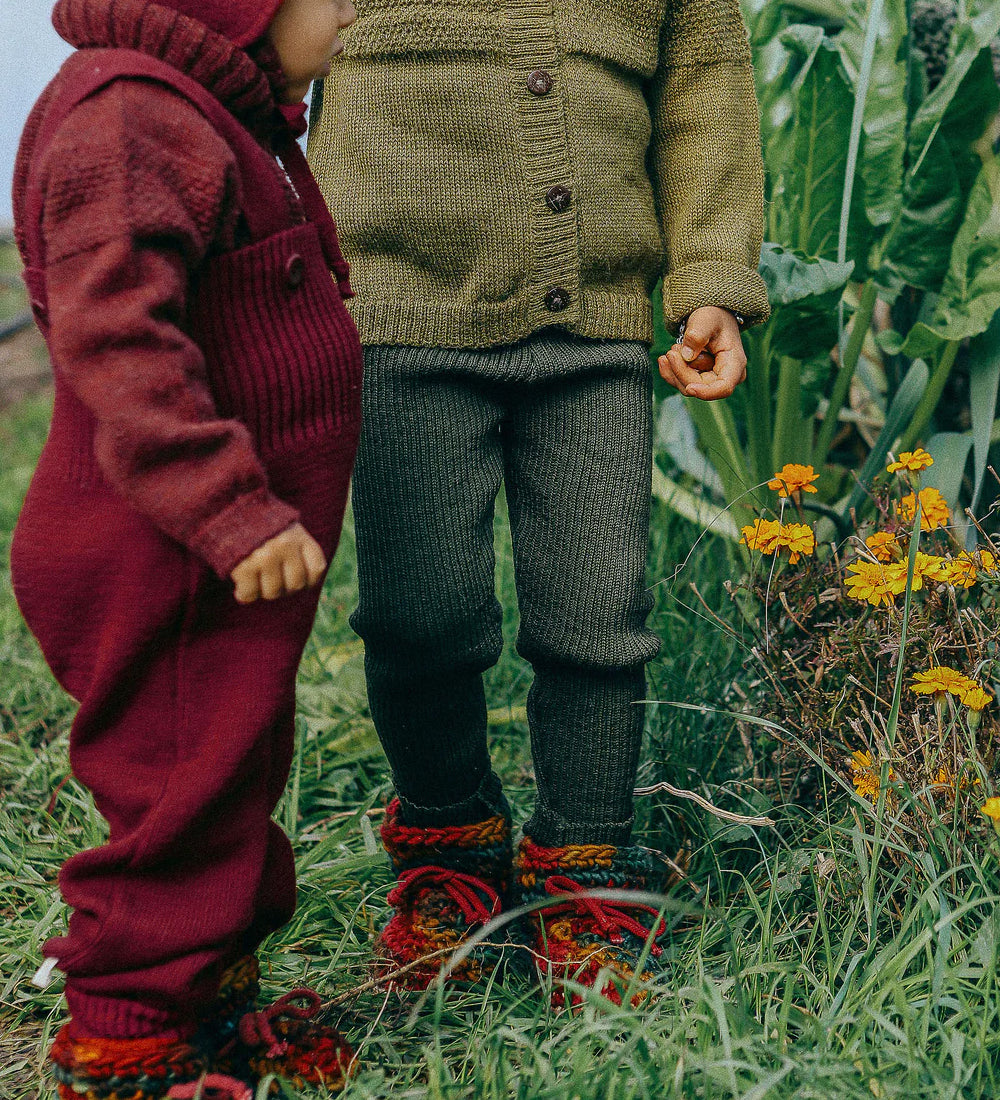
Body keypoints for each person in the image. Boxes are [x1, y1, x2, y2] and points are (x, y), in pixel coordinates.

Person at [308, 0, 771, 1006]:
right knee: (419, 616)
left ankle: (586, 870)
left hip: (595, 327)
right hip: (393, 315)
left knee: (600, 619)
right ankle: (451, 857)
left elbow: (705, 84)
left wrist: (710, 277)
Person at [12, 0, 362, 1093]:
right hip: (163, 548)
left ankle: (206, 997)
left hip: (220, 557)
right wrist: (227, 507)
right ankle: (125, 1036)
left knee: (230, 764)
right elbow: (119, 335)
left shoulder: (222, 113)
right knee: (176, 786)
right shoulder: (130, 120)